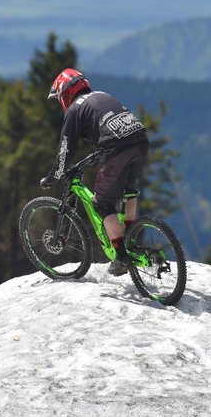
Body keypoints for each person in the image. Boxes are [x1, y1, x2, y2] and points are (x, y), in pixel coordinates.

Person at [40, 68, 149, 276]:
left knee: (102, 203)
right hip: (141, 141)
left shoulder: (74, 109)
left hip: (117, 149)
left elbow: (66, 149)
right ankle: (131, 238)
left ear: (65, 93)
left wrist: (54, 175)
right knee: (129, 191)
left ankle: (121, 256)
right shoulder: (102, 95)